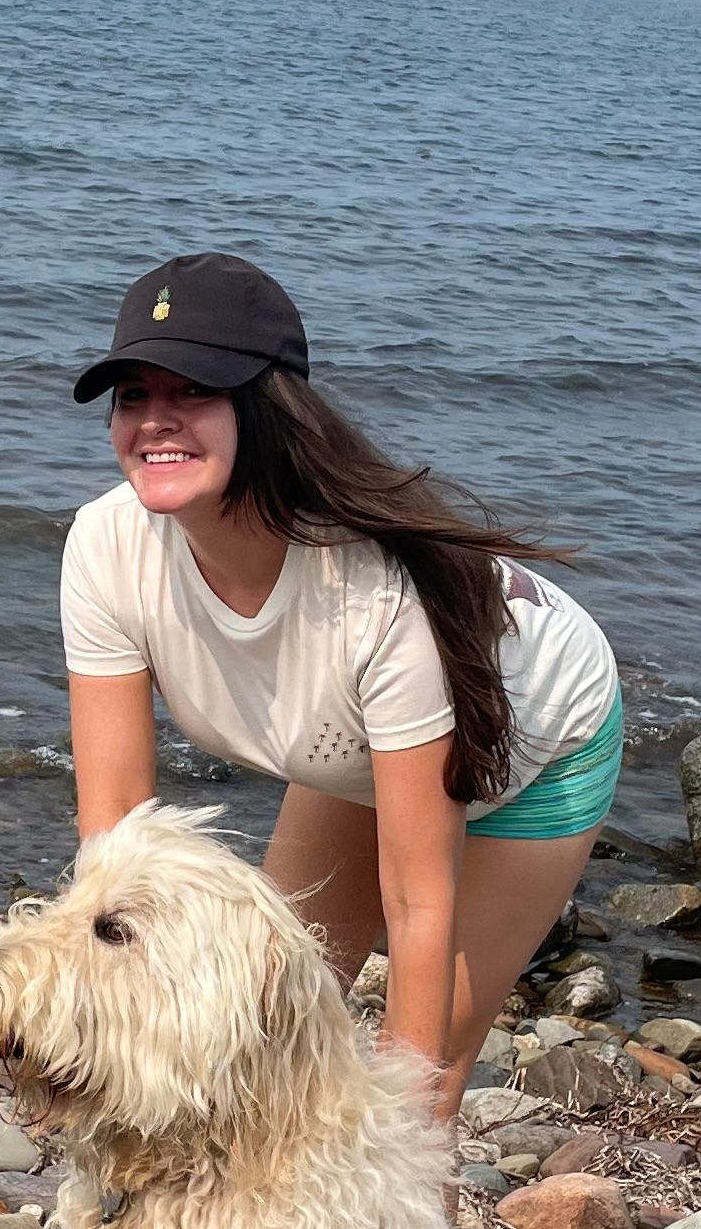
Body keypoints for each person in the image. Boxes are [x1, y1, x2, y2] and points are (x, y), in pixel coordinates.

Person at [59, 251, 625, 1116]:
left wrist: (403, 1152)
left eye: (193, 392)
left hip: (538, 747)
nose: (155, 422)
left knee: (412, 1089)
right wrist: (92, 1024)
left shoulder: (375, 595)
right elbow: (115, 845)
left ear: (268, 407)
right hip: (358, 752)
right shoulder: (105, 547)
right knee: (261, 1037)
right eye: (132, 396)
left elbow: (417, 898)